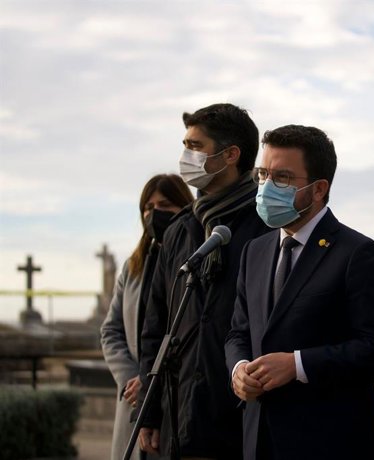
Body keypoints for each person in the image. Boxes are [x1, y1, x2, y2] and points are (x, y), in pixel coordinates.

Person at [225, 124, 374, 460]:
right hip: (258, 438)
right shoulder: (255, 251)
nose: (265, 187)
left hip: (329, 441)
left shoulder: (357, 253)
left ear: (319, 188)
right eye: (262, 174)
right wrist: (238, 370)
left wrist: (297, 365)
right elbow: (239, 331)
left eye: (281, 178)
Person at [138, 103, 270, 459]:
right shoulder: (182, 228)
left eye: (195, 146)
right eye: (185, 145)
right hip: (179, 420)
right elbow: (155, 328)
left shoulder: (266, 228)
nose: (185, 156)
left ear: (230, 155)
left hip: (241, 419)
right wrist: (148, 412)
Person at [101, 173, 194, 460]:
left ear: (184, 207)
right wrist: (131, 376)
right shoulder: (134, 266)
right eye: (148, 207)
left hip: (173, 401)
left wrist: (151, 378)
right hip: (132, 400)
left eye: (165, 204)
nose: (154, 213)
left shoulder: (195, 259)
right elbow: (111, 330)